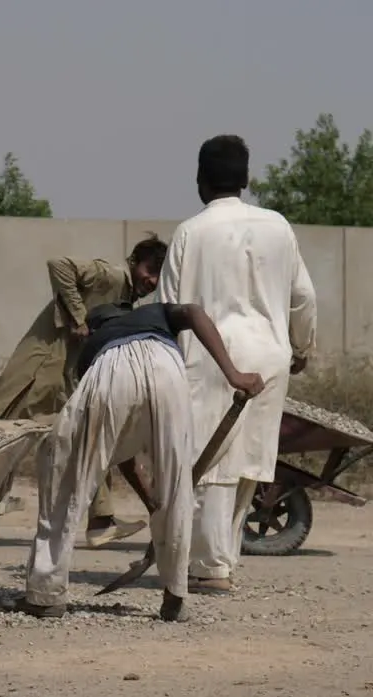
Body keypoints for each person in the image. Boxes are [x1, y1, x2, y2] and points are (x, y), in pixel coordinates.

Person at [16, 300, 265, 622]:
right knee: (176, 486)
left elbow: (114, 446)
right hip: (168, 368)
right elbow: (193, 312)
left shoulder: (94, 347)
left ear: (95, 327)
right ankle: (175, 594)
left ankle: (46, 594)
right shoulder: (156, 313)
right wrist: (233, 375)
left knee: (66, 477)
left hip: (110, 371)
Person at [157, 135, 318, 595]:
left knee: (208, 462)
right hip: (268, 356)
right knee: (247, 460)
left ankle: (210, 567)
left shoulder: (191, 231)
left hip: (210, 355)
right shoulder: (278, 226)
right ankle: (220, 560)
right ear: (246, 179)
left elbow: (170, 306)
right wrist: (300, 346)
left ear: (200, 181)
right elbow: (303, 295)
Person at [0, 236, 169, 547]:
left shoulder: (124, 298)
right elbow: (60, 265)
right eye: (149, 271)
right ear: (134, 262)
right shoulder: (111, 275)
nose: (151, 282)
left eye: (156, 278)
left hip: (62, 377)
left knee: (88, 435)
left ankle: (100, 519)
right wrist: (79, 317)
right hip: (38, 369)